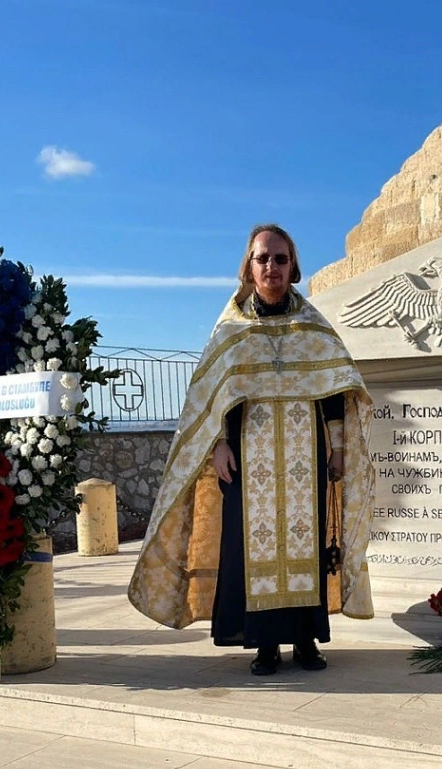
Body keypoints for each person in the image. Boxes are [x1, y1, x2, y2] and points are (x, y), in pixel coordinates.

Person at [128, 223, 375, 675]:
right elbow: (211, 398)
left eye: (280, 259)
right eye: (263, 258)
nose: (272, 267)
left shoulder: (313, 328)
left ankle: (305, 641)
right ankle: (263, 644)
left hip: (305, 458)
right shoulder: (231, 331)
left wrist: (338, 450)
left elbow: (335, 394)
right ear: (248, 267)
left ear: (293, 267)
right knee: (252, 550)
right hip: (248, 457)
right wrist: (218, 444)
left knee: (306, 545)